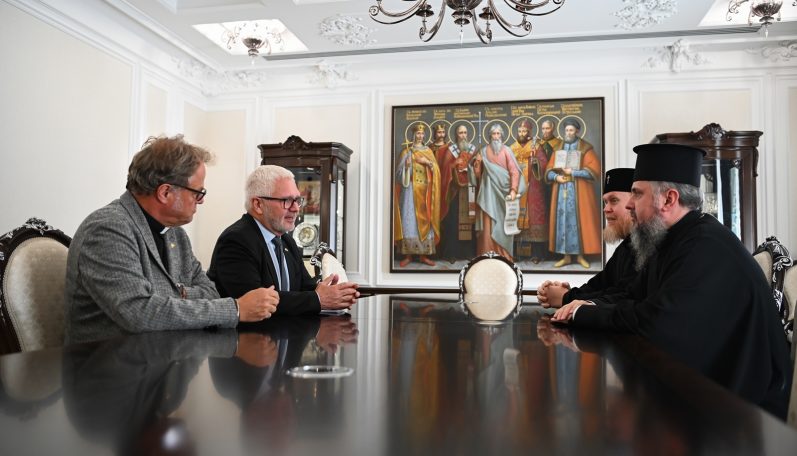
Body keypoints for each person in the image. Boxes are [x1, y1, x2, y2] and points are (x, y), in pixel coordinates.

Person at [552, 143, 792, 418]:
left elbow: (657, 323)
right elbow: (633, 294)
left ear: (668, 200)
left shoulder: (705, 245)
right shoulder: (670, 240)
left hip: (742, 412)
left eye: (637, 194)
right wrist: (584, 304)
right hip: (700, 380)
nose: (629, 204)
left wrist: (584, 313)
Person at [65, 135, 279, 345]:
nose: (201, 201)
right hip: (107, 362)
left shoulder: (176, 234)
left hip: (168, 357)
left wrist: (164, 297)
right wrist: (236, 309)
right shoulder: (108, 229)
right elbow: (138, 313)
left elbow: (211, 292)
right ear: (165, 192)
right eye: (198, 193)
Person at [208, 165, 359, 315]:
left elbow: (305, 288)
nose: (296, 208)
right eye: (286, 200)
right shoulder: (236, 241)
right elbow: (257, 303)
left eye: (297, 200)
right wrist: (318, 299)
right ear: (258, 204)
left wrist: (335, 294)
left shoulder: (286, 241)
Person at [538, 168, 636, 308]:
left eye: (614, 200)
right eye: (605, 202)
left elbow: (622, 295)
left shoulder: (647, 247)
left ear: (634, 203)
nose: (606, 209)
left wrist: (566, 298)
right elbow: (599, 285)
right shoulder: (626, 246)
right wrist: (568, 294)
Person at [545, 118, 601, 268]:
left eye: (571, 130)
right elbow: (548, 170)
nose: (568, 133)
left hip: (579, 192)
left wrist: (574, 172)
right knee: (562, 222)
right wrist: (556, 177)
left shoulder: (585, 148)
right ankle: (566, 257)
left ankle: (580, 256)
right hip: (561, 192)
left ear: (577, 131)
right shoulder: (558, 148)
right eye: (566, 130)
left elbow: (595, 171)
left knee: (578, 222)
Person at [469, 123, 527, 261]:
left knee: (503, 225)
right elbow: (477, 176)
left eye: (498, 134)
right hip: (488, 194)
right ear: (490, 136)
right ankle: (486, 254)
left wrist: (513, 190)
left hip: (504, 194)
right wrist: (477, 164)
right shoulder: (483, 151)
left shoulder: (507, 150)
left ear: (502, 135)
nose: (496, 137)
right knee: (488, 225)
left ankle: (504, 255)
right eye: (493, 134)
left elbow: (514, 171)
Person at [394, 123, 441, 267]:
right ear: (413, 135)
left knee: (425, 222)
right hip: (409, 191)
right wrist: (406, 167)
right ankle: (408, 255)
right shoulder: (406, 152)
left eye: (422, 134)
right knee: (409, 221)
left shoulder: (428, 151)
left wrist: (427, 162)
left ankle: (423, 255)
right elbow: (398, 176)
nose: (420, 136)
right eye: (418, 134)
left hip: (425, 192)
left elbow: (436, 171)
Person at [436, 123, 475, 263]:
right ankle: (451, 253)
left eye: (465, 133)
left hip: (469, 190)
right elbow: (444, 169)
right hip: (454, 192)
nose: (463, 136)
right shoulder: (451, 150)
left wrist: (472, 167)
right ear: (456, 135)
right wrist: (454, 164)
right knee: (453, 222)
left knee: (469, 222)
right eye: (460, 133)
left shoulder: (472, 149)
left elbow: (477, 167)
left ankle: (467, 252)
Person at [511, 119, 549, 262]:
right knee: (514, 217)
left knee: (535, 217)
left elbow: (544, 163)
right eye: (520, 131)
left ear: (529, 132)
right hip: (516, 188)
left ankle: (536, 254)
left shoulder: (536, 146)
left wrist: (536, 163)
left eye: (524, 131)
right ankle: (515, 253)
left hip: (533, 188)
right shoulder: (512, 148)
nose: (521, 133)